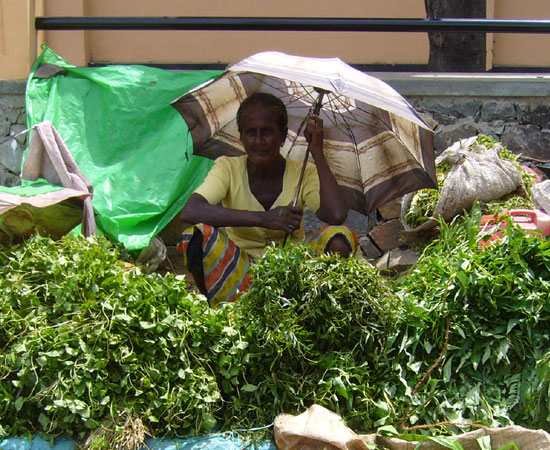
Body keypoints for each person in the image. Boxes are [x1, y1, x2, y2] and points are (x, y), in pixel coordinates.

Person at [178, 92, 358, 307]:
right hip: (240, 272)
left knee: (340, 235)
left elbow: (336, 215)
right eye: (250, 133)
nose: (259, 141)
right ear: (241, 137)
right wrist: (264, 219)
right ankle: (215, 304)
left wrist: (317, 152)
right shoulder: (228, 167)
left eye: (267, 132)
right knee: (195, 236)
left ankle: (317, 309)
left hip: (295, 275)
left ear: (283, 136)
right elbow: (191, 211)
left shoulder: (303, 172)